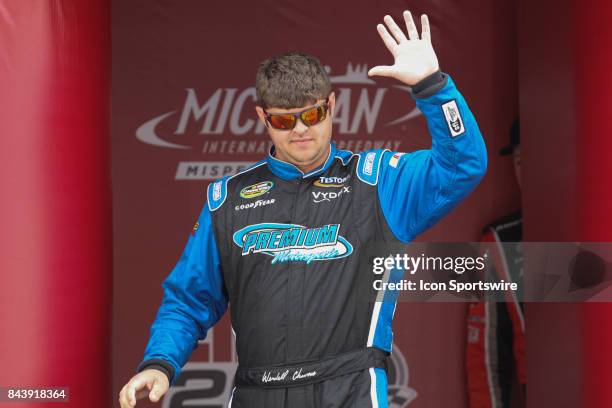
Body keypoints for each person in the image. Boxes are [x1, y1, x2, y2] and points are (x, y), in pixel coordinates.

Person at [119, 10, 487, 408]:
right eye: (284, 120)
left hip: (351, 390)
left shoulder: (378, 182)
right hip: (256, 392)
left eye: (312, 115)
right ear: (263, 117)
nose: (300, 130)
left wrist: (434, 88)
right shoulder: (227, 199)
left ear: (331, 105)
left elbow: (461, 166)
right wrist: (159, 362)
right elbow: (188, 299)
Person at [466, 119, 525, 408]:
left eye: (535, 158)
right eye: (518, 160)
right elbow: (486, 349)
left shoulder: (593, 228)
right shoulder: (501, 239)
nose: (525, 171)